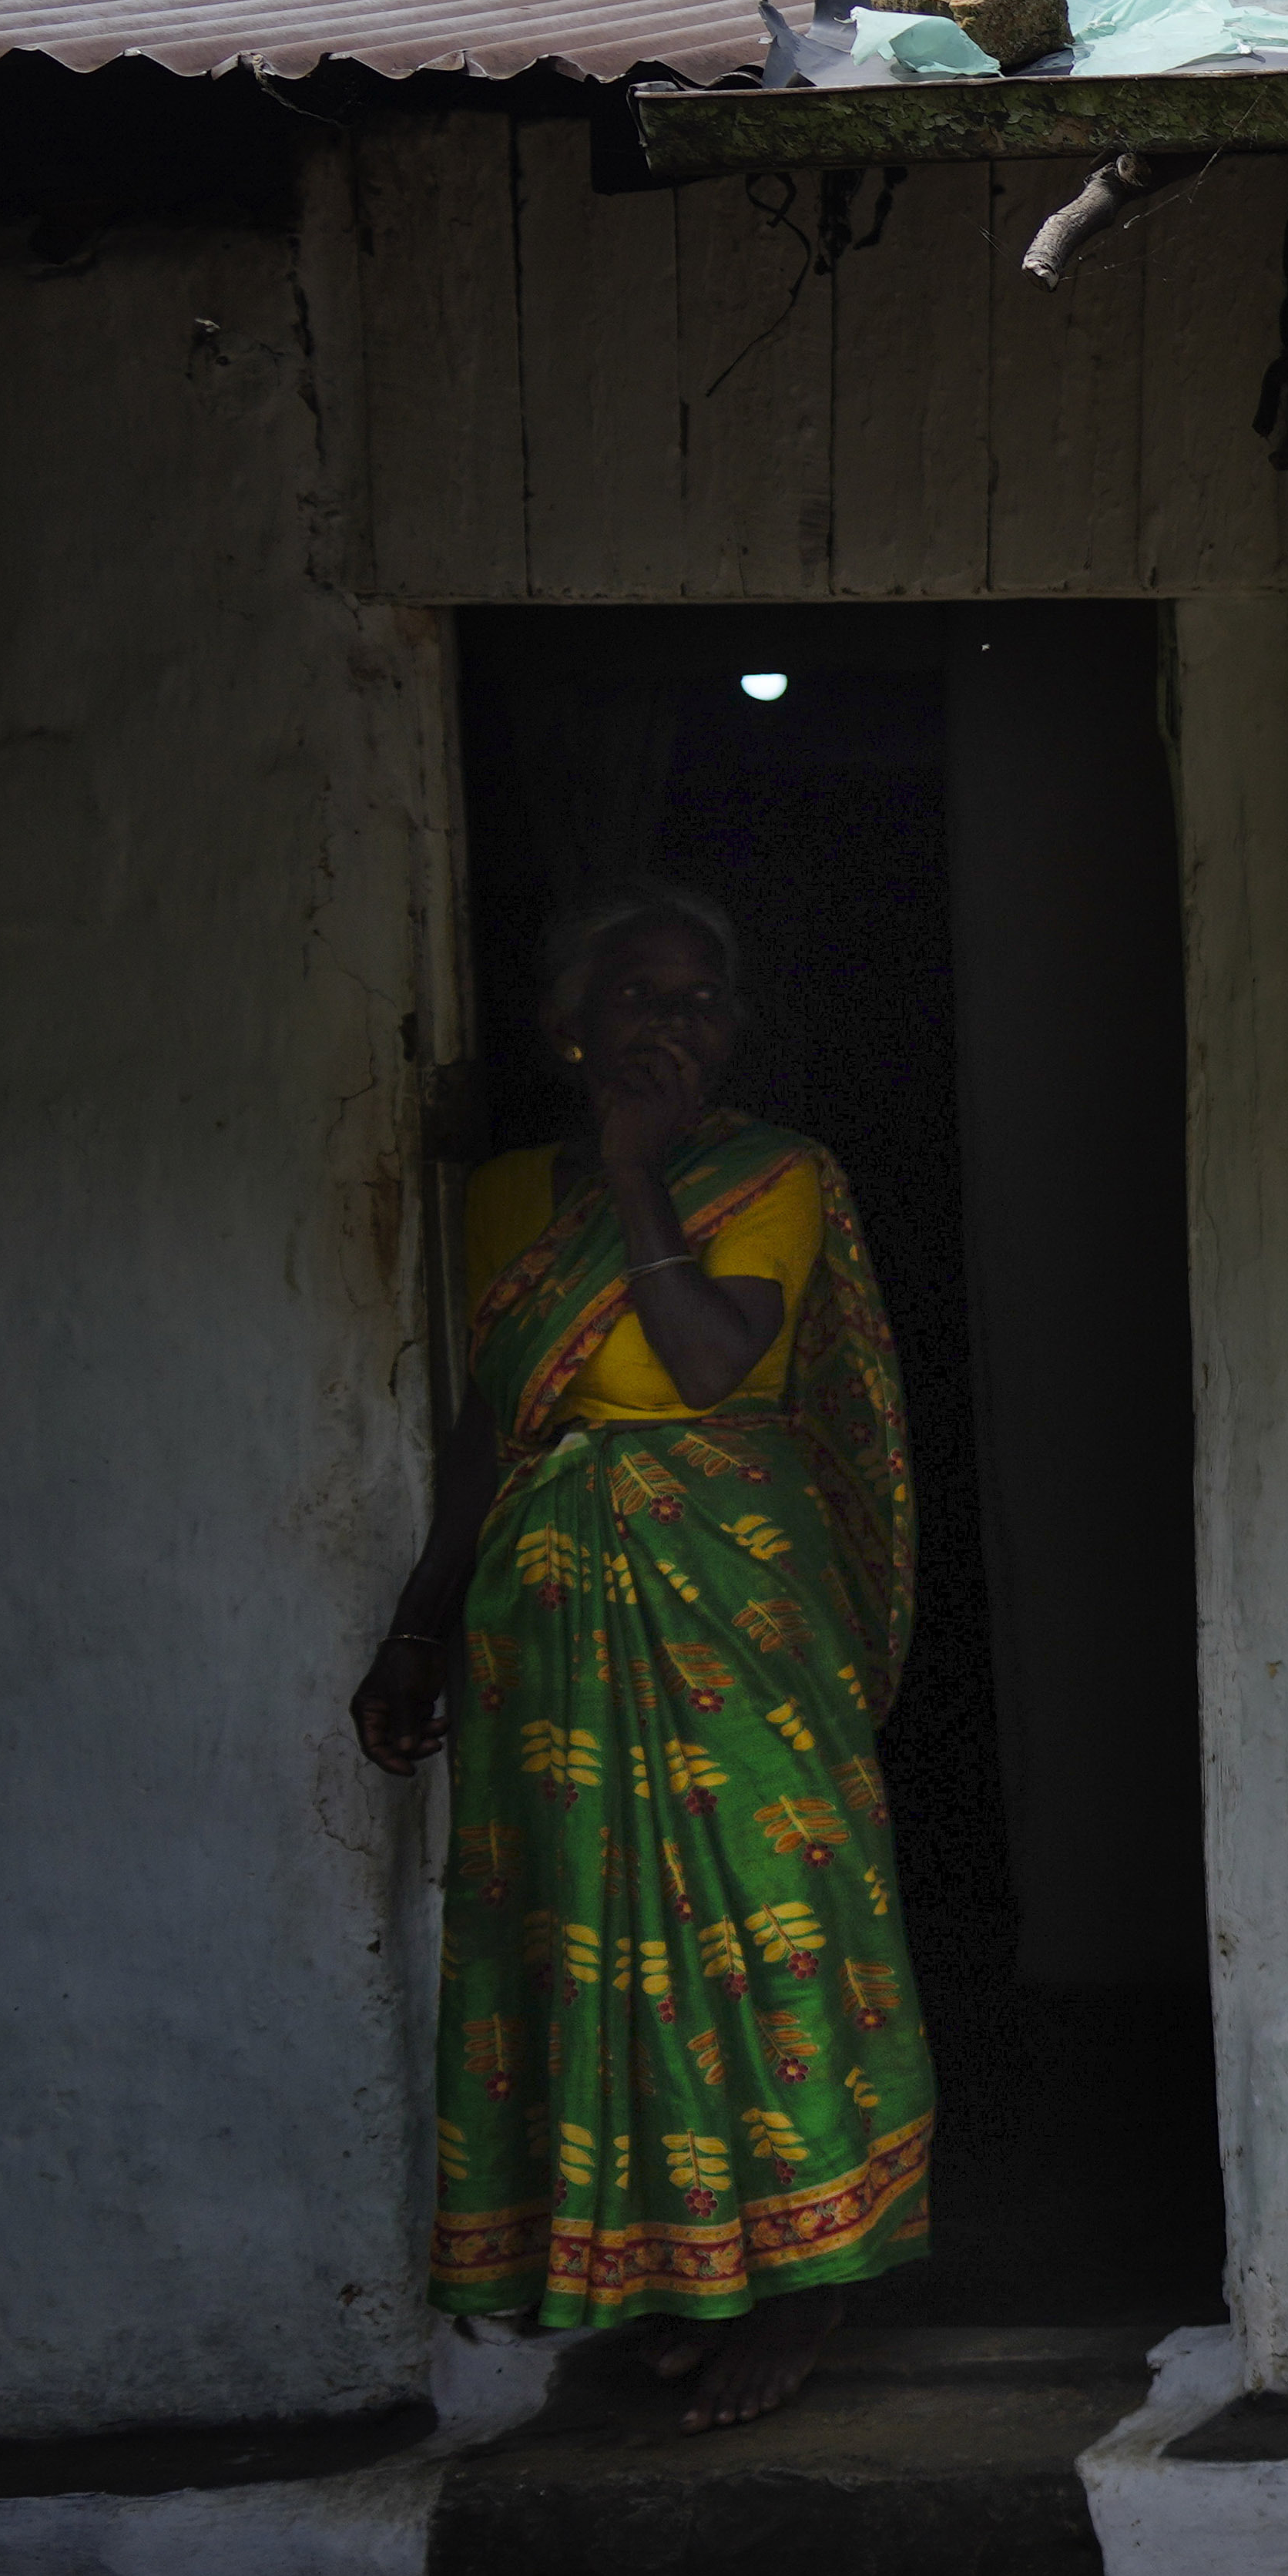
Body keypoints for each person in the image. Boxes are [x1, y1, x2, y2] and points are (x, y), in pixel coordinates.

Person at [346, 888, 934, 2432]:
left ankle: (813, 2288)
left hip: (738, 1610)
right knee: (601, 1932)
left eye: (700, 1003)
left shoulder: (778, 1179)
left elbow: (709, 1361)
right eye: (637, 999)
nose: (670, 1026)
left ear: (734, 1038)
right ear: (573, 1029)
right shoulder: (496, 1206)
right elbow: (488, 1430)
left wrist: (627, 1172)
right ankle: (696, 2276)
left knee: (774, 1914)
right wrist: (417, 1624)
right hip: (549, 1634)